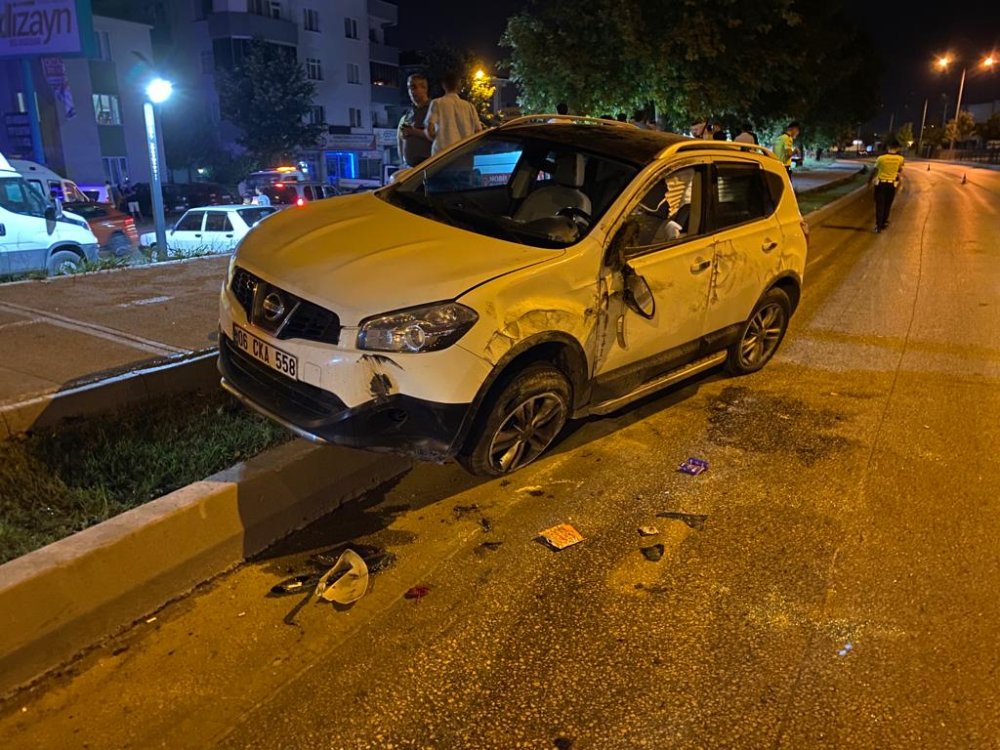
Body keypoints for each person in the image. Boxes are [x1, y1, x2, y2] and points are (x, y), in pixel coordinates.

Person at [425, 70, 483, 156]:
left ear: (443, 85)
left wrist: (437, 138)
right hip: (465, 154)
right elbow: (478, 131)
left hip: (442, 155)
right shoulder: (469, 106)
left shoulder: (437, 103)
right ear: (458, 86)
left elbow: (430, 129)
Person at [869, 138, 904, 233]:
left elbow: (875, 170)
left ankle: (878, 226)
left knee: (879, 205)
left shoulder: (881, 158)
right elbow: (899, 170)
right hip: (891, 185)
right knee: (887, 205)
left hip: (880, 184)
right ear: (897, 148)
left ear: (888, 147)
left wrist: (869, 182)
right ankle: (884, 222)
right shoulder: (900, 159)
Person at [397, 73, 432, 168]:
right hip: (411, 168)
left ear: (424, 88)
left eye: (414, 87)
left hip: (428, 166)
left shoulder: (433, 109)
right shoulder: (410, 112)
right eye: (409, 88)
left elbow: (438, 135)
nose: (412, 91)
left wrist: (414, 132)